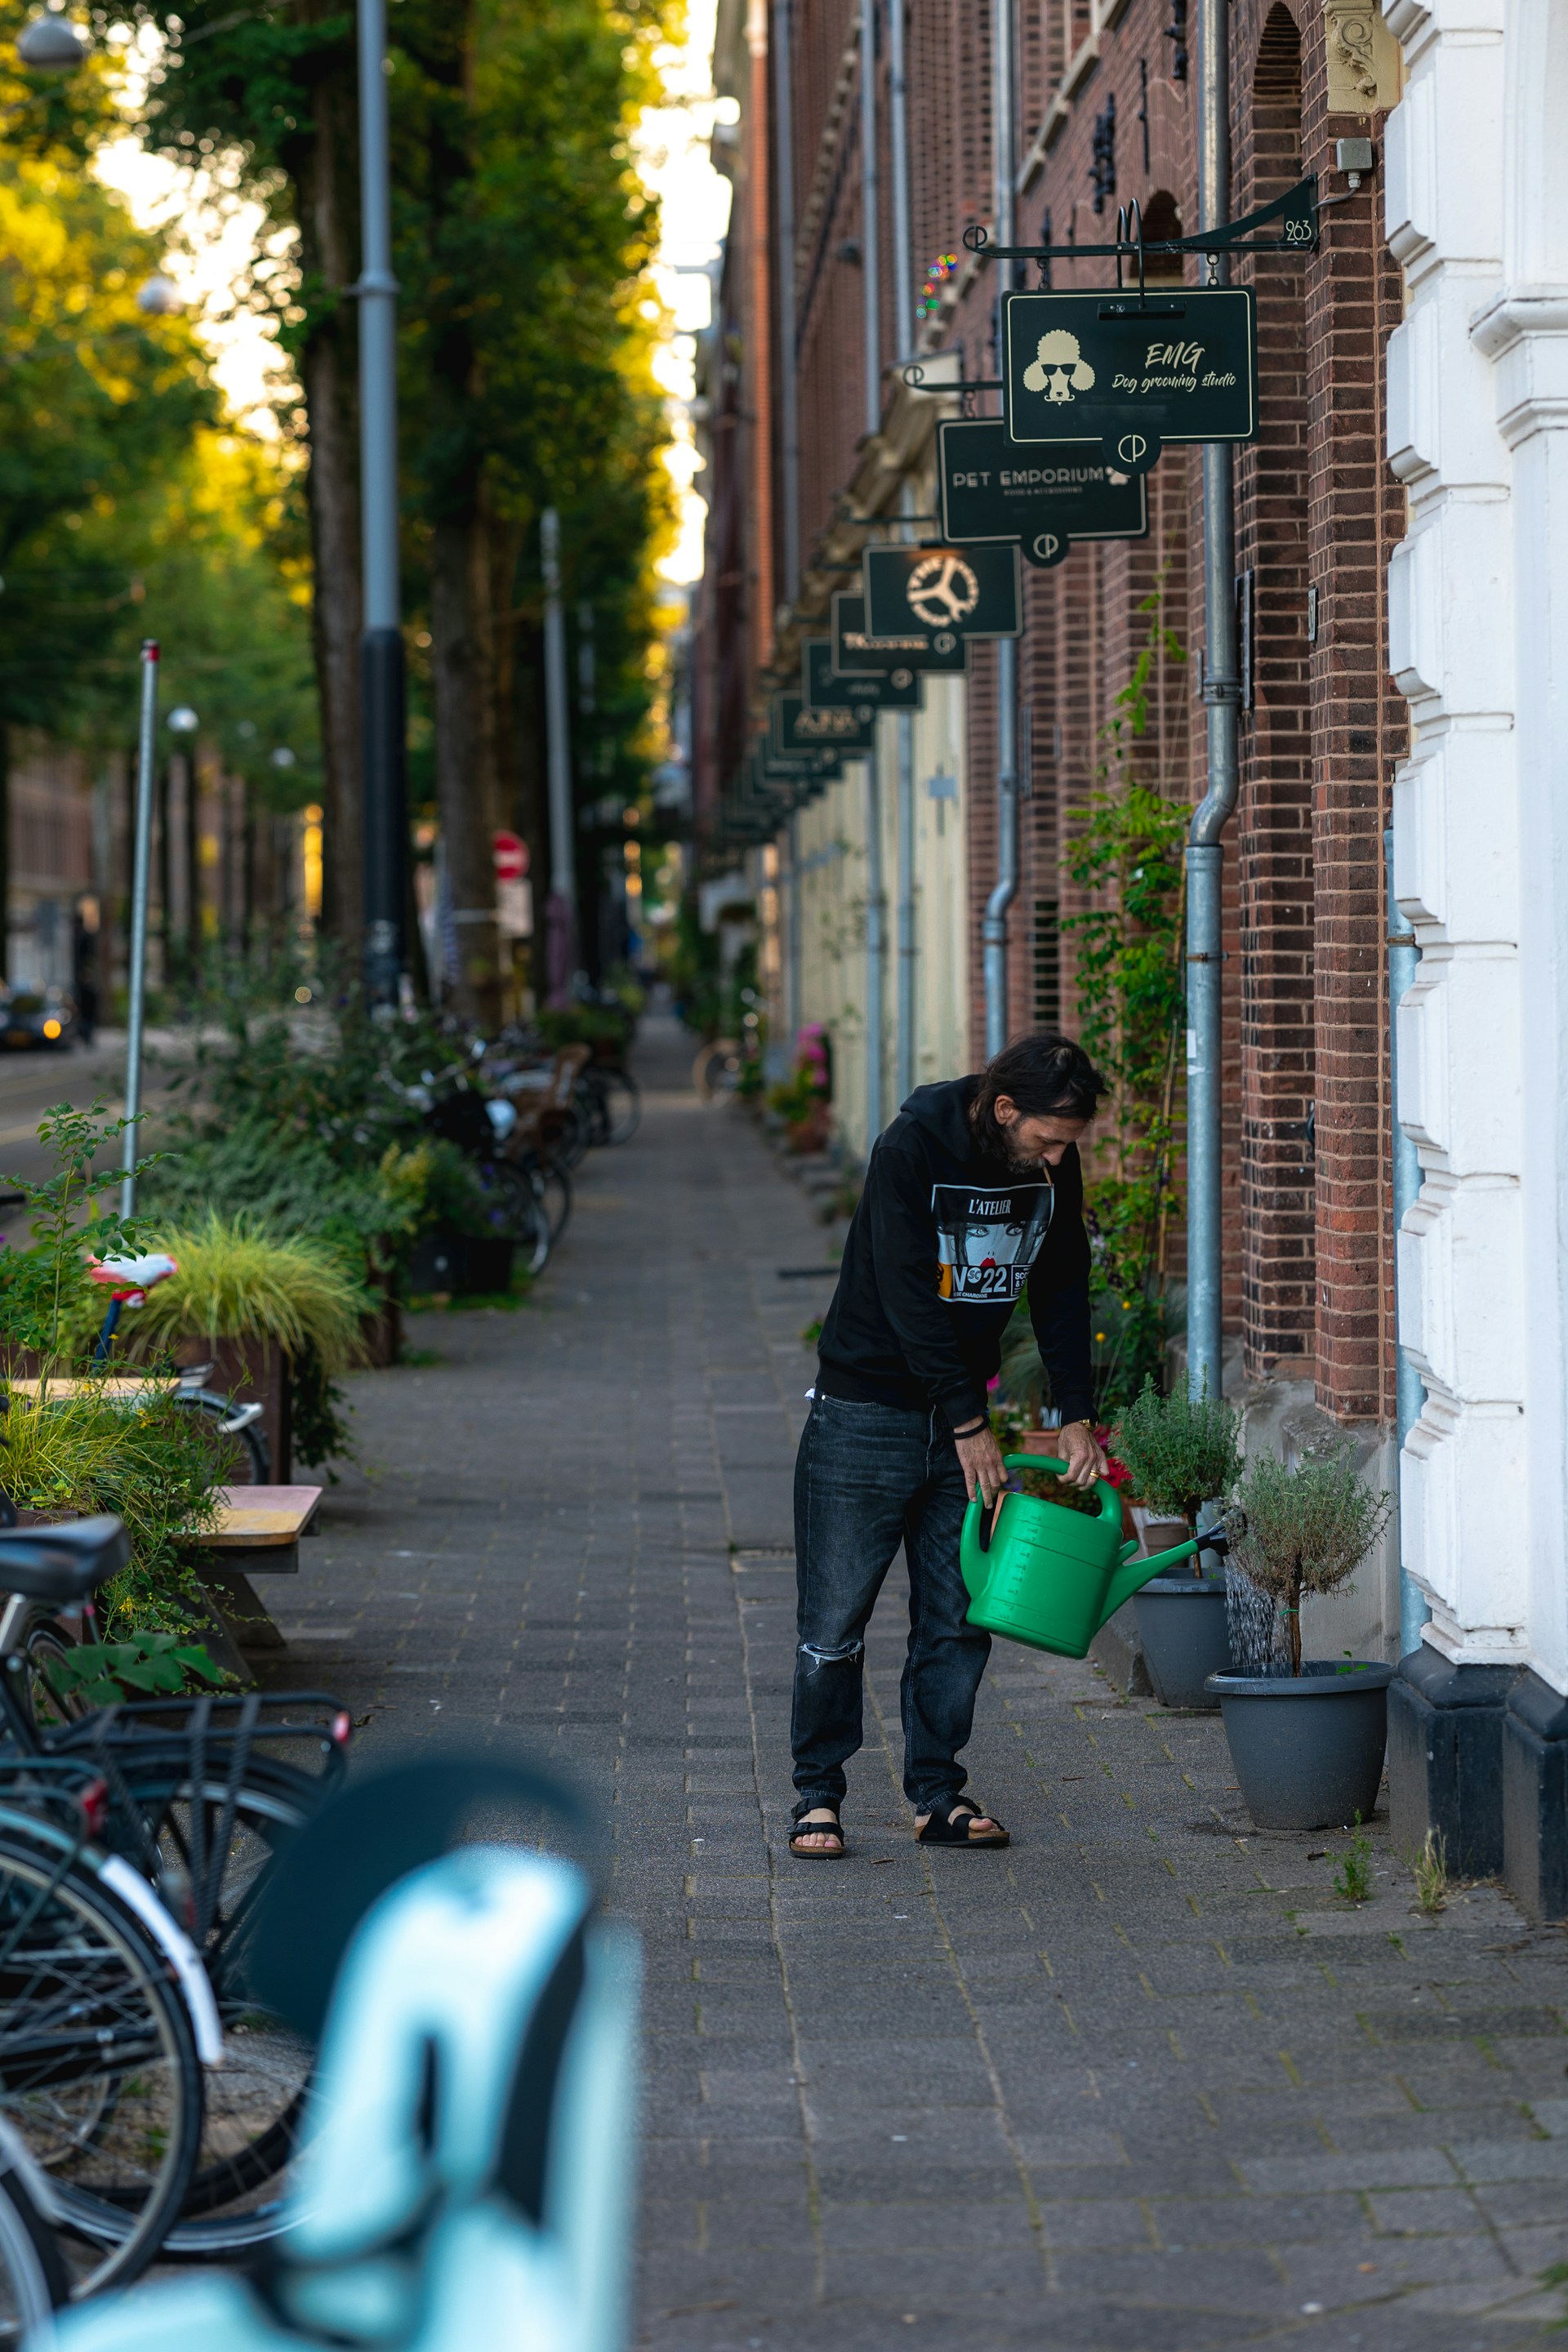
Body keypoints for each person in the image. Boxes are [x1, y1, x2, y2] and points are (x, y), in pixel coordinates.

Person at [789, 1032, 1109, 1859]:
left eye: (1068, 1143)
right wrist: (969, 1421)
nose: (1058, 1155)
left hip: (959, 1425)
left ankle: (938, 1793)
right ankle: (817, 1796)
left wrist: (1077, 1409)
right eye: (1048, 1137)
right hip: (867, 1413)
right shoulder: (911, 1148)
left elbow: (1061, 1275)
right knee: (835, 1619)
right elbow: (908, 1295)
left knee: (958, 1617)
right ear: (1005, 1110)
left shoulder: (1047, 1159)